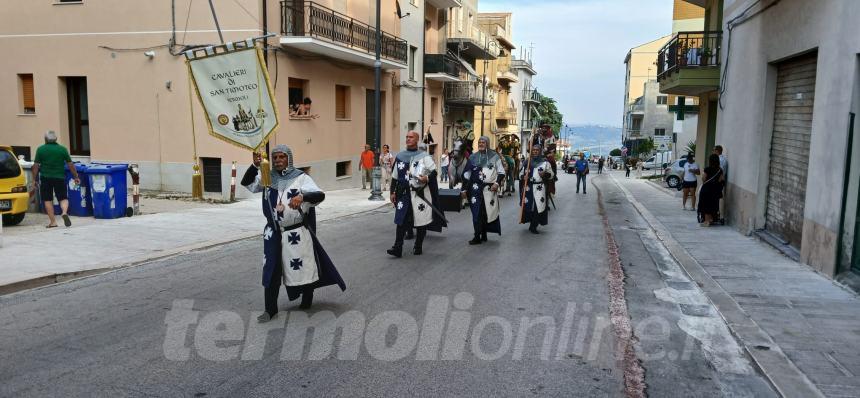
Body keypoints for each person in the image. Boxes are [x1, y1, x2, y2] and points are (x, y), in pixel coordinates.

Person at [242, 145, 346, 323]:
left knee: (302, 266)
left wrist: (303, 197)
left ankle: (307, 297)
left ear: (288, 159)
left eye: (281, 157)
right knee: (271, 269)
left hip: (296, 231)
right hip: (273, 232)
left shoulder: (301, 178)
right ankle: (270, 309)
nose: (278, 161)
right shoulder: (267, 177)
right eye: (275, 158)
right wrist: (254, 166)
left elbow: (319, 195)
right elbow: (248, 184)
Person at [387, 131, 444, 257]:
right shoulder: (400, 156)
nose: (408, 139)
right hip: (404, 193)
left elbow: (434, 171)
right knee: (400, 219)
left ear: (417, 139)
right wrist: (392, 192)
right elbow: (395, 177)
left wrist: (427, 178)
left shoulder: (424, 156)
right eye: (407, 137)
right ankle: (397, 247)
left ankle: (418, 246)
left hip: (420, 193)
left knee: (421, 220)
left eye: (411, 137)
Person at [462, 136, 505, 245]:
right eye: (479, 142)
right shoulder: (472, 157)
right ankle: (477, 236)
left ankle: (484, 233)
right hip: (475, 190)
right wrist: (463, 189)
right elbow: (467, 175)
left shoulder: (494, 157)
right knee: (476, 213)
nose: (481, 144)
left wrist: (496, 183)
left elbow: (501, 172)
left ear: (487, 143)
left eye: (483, 142)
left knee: (486, 213)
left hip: (489, 190)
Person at [32, 130, 80, 228]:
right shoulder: (62, 149)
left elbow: (35, 166)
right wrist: (76, 177)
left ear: (45, 139)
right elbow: (70, 165)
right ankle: (64, 212)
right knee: (63, 198)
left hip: (45, 178)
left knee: (47, 199)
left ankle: (53, 222)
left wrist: (34, 179)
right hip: (59, 177)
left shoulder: (40, 149)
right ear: (56, 139)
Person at [520, 144, 554, 234]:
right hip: (528, 188)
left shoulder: (545, 163)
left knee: (538, 207)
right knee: (529, 207)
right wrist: (523, 176)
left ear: (540, 151)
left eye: (536, 150)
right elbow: (520, 174)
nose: (534, 151)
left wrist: (545, 174)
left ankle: (534, 226)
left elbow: (551, 175)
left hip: (539, 188)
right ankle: (531, 223)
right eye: (533, 150)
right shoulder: (527, 162)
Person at [698, 154, 725, 227]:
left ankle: (706, 221)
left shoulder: (707, 169)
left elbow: (703, 178)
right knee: (713, 204)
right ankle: (711, 219)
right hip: (715, 190)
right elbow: (721, 180)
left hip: (707, 189)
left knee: (706, 204)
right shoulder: (720, 170)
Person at [714, 145, 728, 224]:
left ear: (717, 151)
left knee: (717, 199)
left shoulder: (721, 160)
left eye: (714, 150)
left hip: (718, 182)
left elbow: (720, 172)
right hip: (718, 182)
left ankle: (719, 216)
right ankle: (717, 215)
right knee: (716, 198)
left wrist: (717, 181)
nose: (713, 151)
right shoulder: (721, 159)